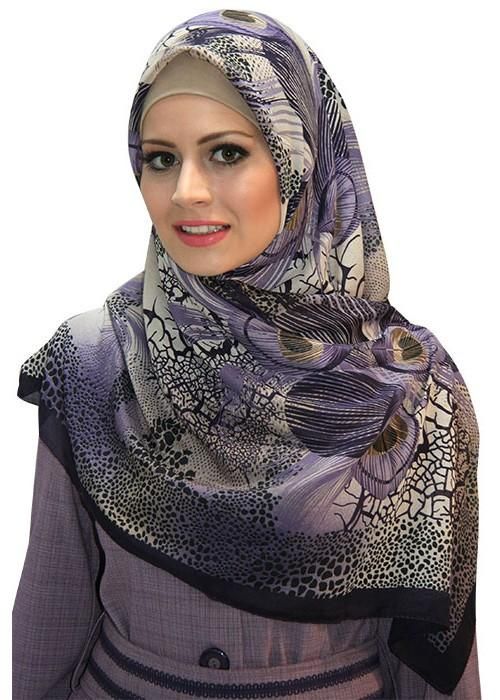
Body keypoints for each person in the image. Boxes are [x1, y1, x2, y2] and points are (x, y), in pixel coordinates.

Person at [12, 8, 481, 699]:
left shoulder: (410, 388)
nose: (185, 192)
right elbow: (51, 612)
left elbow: (431, 661)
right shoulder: (92, 360)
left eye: (226, 152)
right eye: (161, 159)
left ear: (300, 162)